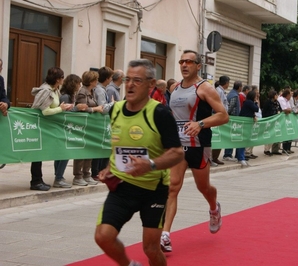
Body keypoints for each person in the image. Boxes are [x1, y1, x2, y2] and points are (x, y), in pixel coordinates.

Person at [94, 59, 184, 266]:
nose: (131, 84)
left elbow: (177, 153)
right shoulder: (116, 110)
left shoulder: (160, 113)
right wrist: (108, 169)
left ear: (151, 85)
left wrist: (150, 164)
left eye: (137, 80)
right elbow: (118, 146)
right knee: (102, 236)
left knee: (151, 249)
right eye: (128, 79)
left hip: (153, 189)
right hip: (122, 187)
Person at [161, 50, 229, 252]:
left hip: (198, 145)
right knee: (173, 187)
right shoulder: (173, 88)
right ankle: (165, 235)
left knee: (204, 187)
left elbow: (223, 116)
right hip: (177, 145)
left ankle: (214, 207)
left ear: (198, 66)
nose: (184, 65)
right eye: (182, 61)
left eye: (189, 62)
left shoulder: (205, 88)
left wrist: (200, 123)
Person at [30, 67, 74, 191]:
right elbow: (45, 111)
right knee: (37, 154)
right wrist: (61, 109)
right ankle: (36, 181)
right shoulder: (46, 91)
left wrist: (63, 107)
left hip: (49, 127)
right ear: (57, 79)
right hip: (40, 126)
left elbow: (55, 106)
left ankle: (41, 180)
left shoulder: (55, 90)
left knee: (43, 153)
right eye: (62, 77)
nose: (63, 79)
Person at [53, 74, 88, 188]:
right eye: (78, 83)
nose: (80, 86)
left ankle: (59, 176)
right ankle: (58, 177)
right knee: (64, 153)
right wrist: (77, 108)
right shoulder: (65, 97)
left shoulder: (70, 96)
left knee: (62, 153)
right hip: (63, 128)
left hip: (66, 128)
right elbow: (65, 113)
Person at [73, 71, 103, 186]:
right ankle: (78, 175)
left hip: (91, 125)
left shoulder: (93, 91)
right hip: (83, 124)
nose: (97, 82)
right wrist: (95, 109)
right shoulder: (82, 92)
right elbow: (82, 108)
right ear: (91, 81)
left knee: (89, 149)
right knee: (82, 150)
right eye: (96, 80)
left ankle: (87, 174)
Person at [92, 66, 114, 181]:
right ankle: (96, 171)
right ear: (107, 78)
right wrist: (113, 104)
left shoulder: (102, 89)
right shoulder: (100, 90)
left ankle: (101, 170)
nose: (111, 80)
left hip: (103, 122)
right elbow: (103, 108)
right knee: (99, 148)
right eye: (110, 77)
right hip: (100, 122)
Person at [211, 75, 229, 166]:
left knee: (220, 138)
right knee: (217, 138)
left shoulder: (222, 91)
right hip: (218, 117)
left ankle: (215, 157)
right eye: (228, 82)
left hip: (222, 117)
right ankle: (212, 158)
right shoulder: (219, 91)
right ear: (226, 83)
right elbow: (218, 105)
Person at [223, 80, 242, 161]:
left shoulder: (232, 93)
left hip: (232, 119)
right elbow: (229, 108)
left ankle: (228, 154)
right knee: (230, 137)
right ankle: (227, 154)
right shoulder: (234, 96)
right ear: (239, 87)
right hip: (232, 119)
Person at [238, 90, 259, 166]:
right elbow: (256, 109)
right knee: (243, 141)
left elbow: (249, 111)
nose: (257, 97)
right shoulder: (249, 102)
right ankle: (241, 158)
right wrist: (256, 102)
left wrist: (253, 116)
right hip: (244, 124)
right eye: (256, 96)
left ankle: (241, 157)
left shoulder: (248, 102)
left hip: (246, 123)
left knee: (244, 141)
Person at [262, 90, 281, 156]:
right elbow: (264, 112)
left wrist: (278, 111)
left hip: (275, 120)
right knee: (268, 135)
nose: (277, 96)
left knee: (273, 135)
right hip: (268, 120)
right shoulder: (267, 102)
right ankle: (266, 149)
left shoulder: (277, 103)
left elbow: (280, 109)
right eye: (276, 95)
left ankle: (270, 148)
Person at [278, 87, 292, 154]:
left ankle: (288, 148)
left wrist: (289, 110)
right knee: (284, 133)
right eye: (290, 95)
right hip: (282, 119)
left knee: (289, 133)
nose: (291, 97)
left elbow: (290, 109)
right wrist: (288, 110)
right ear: (287, 95)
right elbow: (285, 110)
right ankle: (284, 148)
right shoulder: (281, 99)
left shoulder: (287, 101)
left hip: (287, 119)